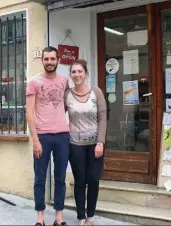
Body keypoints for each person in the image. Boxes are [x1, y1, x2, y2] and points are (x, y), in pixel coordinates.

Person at [26, 46, 70, 226]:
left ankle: (59, 217)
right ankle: (40, 218)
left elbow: (66, 105)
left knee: (60, 177)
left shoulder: (65, 80)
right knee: (40, 178)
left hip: (62, 136)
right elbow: (29, 113)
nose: (50, 62)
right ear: (42, 60)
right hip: (42, 136)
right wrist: (35, 140)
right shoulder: (33, 82)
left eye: (53, 59)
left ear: (58, 59)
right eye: (46, 59)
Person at [64, 59, 107, 226]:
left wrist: (100, 142)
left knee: (94, 180)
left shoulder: (97, 92)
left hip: (95, 145)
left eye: (79, 71)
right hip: (75, 145)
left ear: (86, 73)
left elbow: (102, 118)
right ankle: (81, 216)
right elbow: (58, 115)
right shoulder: (67, 94)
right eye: (73, 72)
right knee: (80, 180)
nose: (76, 75)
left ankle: (91, 215)